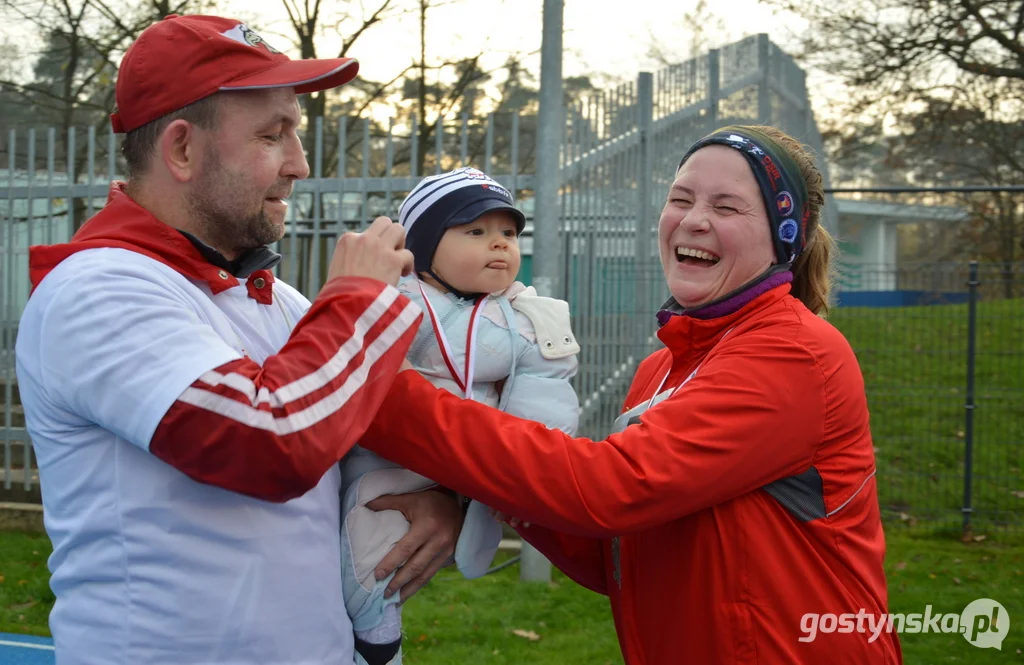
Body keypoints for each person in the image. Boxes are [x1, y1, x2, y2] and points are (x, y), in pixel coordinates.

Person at [358, 125, 904, 664]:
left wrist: (386, 389)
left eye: (727, 206)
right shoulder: (662, 367)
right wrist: (476, 495)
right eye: (681, 199)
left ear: (785, 235)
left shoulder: (793, 353)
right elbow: (618, 554)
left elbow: (613, 489)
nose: (694, 220)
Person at [16, 14, 465, 665]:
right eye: (272, 135)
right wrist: (359, 300)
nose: (300, 164)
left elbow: (363, 429)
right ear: (182, 150)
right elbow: (269, 442)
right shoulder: (95, 289)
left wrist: (441, 501)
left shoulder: (275, 299)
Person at [340, 167, 580, 665]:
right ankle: (377, 644)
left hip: (468, 470)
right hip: (380, 466)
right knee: (369, 564)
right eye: (476, 231)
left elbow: (543, 398)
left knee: (394, 564)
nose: (499, 245)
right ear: (423, 248)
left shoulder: (527, 319)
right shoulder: (399, 297)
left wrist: (525, 472)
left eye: (509, 234)